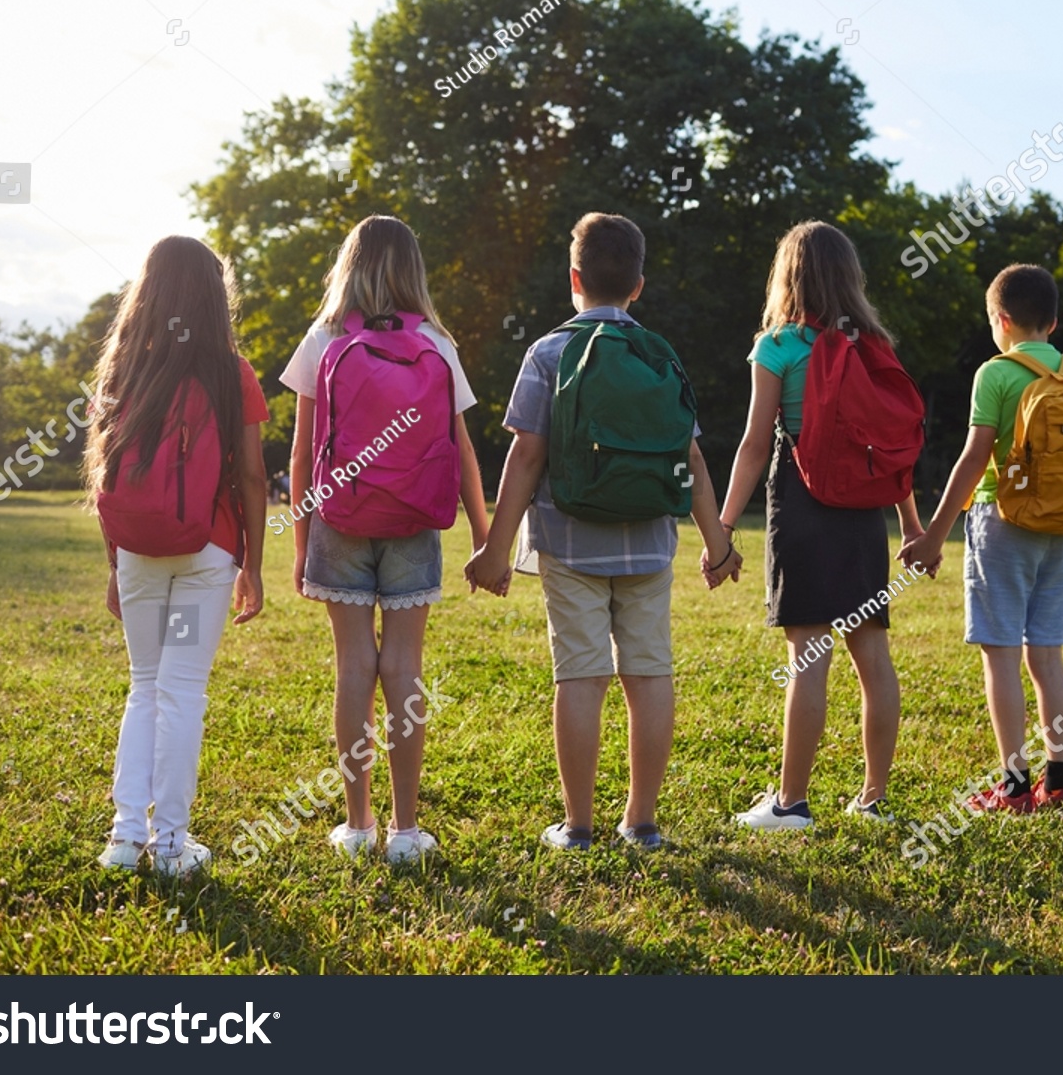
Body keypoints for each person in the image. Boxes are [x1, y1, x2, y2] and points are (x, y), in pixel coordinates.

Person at [465, 212, 739, 851]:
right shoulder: (660, 354)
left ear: (574, 279)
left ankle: (579, 826)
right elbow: (691, 460)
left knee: (581, 677)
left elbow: (526, 457)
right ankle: (642, 822)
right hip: (648, 542)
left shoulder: (548, 352)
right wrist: (718, 543)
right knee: (650, 675)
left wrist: (495, 549)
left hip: (568, 541)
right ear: (638, 285)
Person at [280, 215, 488, 863]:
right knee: (404, 668)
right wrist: (483, 531)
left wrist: (298, 540)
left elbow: (300, 452)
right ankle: (405, 830)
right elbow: (463, 450)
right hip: (415, 523)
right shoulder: (437, 343)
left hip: (338, 520)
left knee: (353, 668)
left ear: (349, 263)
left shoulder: (322, 338)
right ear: (412, 270)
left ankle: (357, 824)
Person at [719, 221, 924, 830]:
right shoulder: (875, 345)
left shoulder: (778, 346)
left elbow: (756, 444)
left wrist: (724, 527)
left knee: (807, 654)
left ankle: (791, 803)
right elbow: (896, 452)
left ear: (788, 275)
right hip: (864, 516)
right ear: (849, 277)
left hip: (803, 506)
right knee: (872, 654)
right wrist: (910, 526)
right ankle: (874, 798)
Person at [86, 235, 268, 876]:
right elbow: (251, 477)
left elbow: (106, 475)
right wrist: (253, 564)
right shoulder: (230, 371)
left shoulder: (122, 368)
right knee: (181, 692)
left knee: (144, 688)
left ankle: (122, 838)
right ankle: (169, 847)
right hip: (204, 554)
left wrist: (116, 565)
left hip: (137, 553)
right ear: (215, 297)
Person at [899, 264, 1063, 813]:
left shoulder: (997, 373)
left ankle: (1013, 786)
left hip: (1002, 519)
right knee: (1048, 658)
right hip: (1060, 529)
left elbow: (973, 458)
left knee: (1001, 656)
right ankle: (1060, 783)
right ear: (1053, 322)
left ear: (1001, 320)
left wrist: (935, 534)